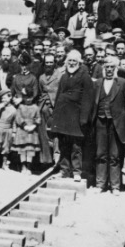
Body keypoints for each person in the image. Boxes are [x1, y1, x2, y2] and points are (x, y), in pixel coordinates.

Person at [92, 56, 125, 194]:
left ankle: (115, 186)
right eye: (107, 67)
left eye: (112, 67)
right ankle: (100, 184)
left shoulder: (123, 83)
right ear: (103, 68)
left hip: (117, 124)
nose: (109, 70)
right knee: (100, 153)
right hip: (100, 122)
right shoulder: (97, 83)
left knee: (115, 155)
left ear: (116, 69)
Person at [50, 50, 94, 180]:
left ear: (79, 62)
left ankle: (76, 171)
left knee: (76, 146)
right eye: (70, 60)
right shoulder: (64, 76)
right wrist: (55, 115)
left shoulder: (84, 76)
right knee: (64, 144)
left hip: (76, 117)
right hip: (63, 116)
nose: (72, 63)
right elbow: (58, 96)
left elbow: (88, 98)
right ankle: (64, 170)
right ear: (66, 62)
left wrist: (84, 118)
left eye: (74, 61)